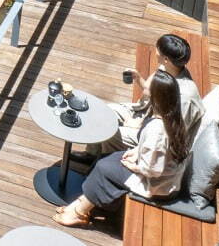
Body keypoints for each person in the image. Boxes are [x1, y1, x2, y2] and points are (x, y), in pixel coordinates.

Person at [54, 70, 195, 227]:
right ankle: (83, 202)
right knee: (106, 159)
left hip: (158, 185)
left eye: (147, 89)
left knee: (104, 168)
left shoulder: (157, 129)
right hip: (158, 170)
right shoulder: (172, 115)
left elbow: (153, 169)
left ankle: (79, 214)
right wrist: (135, 152)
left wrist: (133, 165)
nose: (144, 90)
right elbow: (156, 152)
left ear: (156, 97)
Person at [88, 33, 204, 157]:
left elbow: (168, 134)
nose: (155, 51)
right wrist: (138, 78)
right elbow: (151, 90)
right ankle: (91, 153)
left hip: (153, 131)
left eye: (158, 49)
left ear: (166, 59)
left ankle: (98, 161)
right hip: (144, 113)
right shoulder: (167, 67)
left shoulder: (184, 98)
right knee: (103, 112)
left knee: (108, 134)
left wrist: (139, 126)